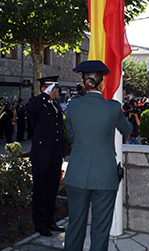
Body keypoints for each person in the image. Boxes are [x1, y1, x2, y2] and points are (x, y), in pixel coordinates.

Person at [64, 60, 133, 251]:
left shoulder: (73, 105)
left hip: (77, 174)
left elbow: (72, 135)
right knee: (100, 229)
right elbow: (128, 130)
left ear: (83, 82)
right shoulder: (112, 107)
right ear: (101, 83)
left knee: (75, 226)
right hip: (104, 176)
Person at [26, 76, 65, 237]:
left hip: (54, 156)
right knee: (40, 190)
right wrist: (44, 94)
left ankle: (49, 220)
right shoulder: (38, 103)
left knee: (51, 190)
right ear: (45, 89)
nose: (55, 91)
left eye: (55, 88)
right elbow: (30, 109)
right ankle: (39, 223)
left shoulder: (54, 105)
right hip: (42, 156)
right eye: (52, 88)